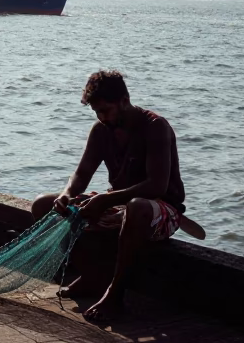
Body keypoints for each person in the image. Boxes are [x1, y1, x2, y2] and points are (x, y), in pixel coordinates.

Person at [30, 70, 190, 324]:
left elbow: (157, 186)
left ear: (124, 101)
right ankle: (92, 276)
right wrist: (65, 195)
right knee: (42, 205)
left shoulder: (155, 127)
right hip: (118, 204)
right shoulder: (101, 130)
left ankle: (115, 293)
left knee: (137, 207)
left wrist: (105, 200)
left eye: (106, 110)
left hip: (159, 211)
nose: (101, 117)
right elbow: (81, 174)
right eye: (96, 112)